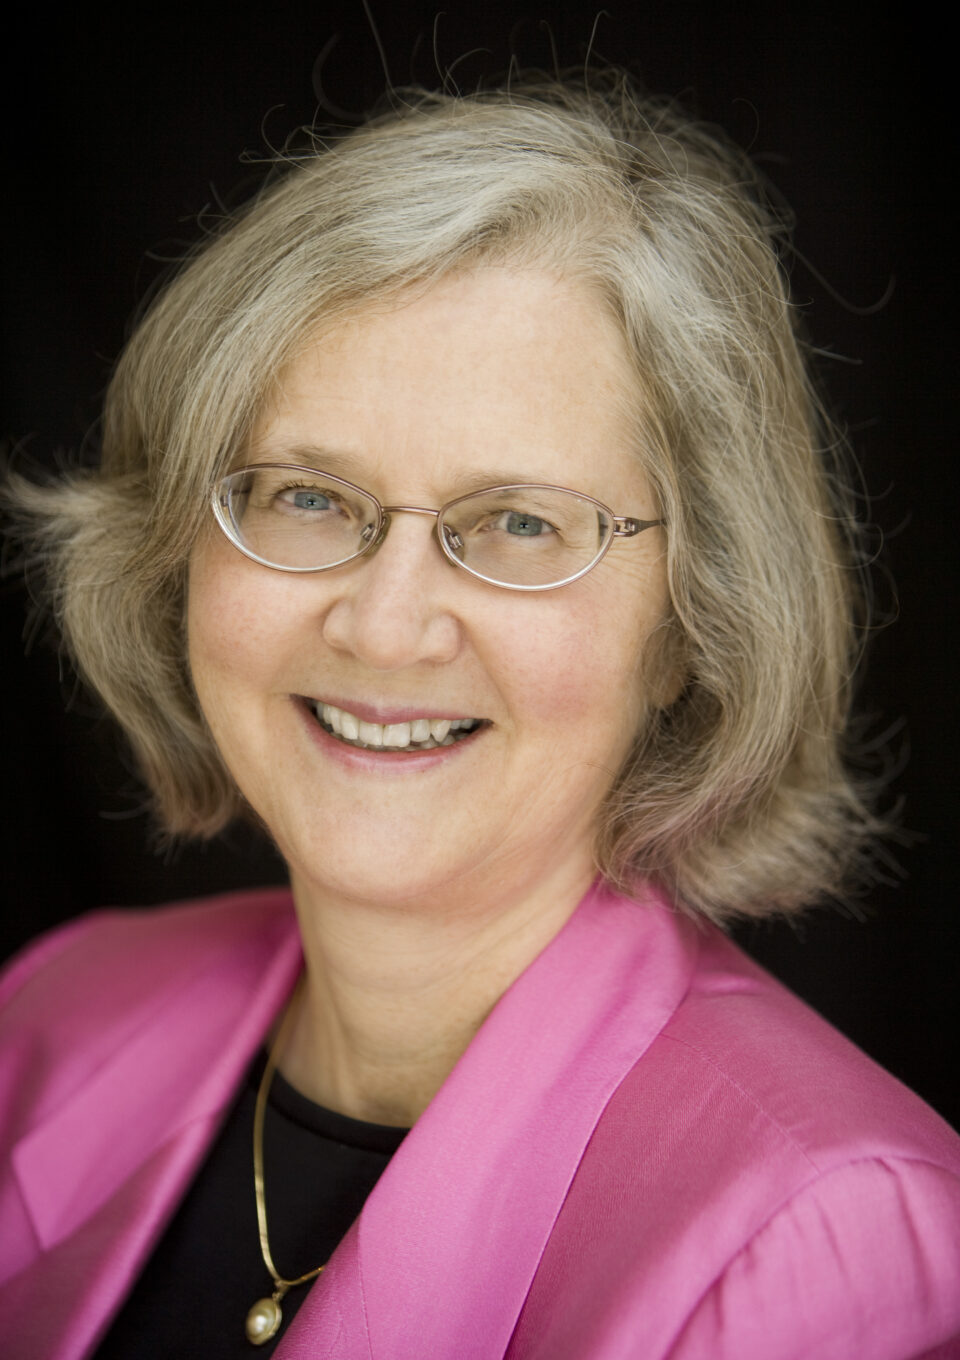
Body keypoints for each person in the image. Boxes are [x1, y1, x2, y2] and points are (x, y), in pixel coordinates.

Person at [1, 72, 958, 1360]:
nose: (384, 625)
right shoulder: (50, 1013)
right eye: (305, 496)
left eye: (517, 525)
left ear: (691, 627)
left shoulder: (827, 1233)